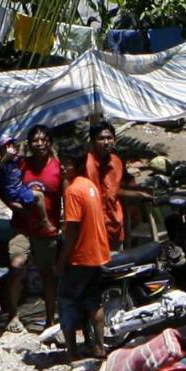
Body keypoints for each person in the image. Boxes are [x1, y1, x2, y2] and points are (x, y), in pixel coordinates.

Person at [0, 126, 63, 330]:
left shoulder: (58, 168)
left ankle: (50, 320)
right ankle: (13, 315)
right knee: (16, 266)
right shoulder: (22, 164)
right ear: (29, 144)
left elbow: (66, 195)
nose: (40, 144)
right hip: (22, 227)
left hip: (46, 231)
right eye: (35, 140)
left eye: (44, 140)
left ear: (50, 143)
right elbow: (1, 187)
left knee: (48, 275)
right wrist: (14, 207)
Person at [58, 156, 112, 358]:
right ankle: (99, 346)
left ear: (78, 165)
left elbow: (72, 230)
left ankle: (71, 352)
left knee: (67, 300)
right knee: (93, 301)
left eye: (67, 163)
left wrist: (61, 261)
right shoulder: (89, 186)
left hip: (80, 256)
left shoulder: (73, 191)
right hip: (97, 254)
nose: (63, 167)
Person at [79, 119, 143, 248]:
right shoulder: (84, 163)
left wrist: (138, 195)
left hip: (114, 224)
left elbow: (116, 190)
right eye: (101, 139)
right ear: (92, 142)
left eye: (109, 138)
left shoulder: (117, 162)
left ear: (114, 140)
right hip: (91, 225)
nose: (106, 142)